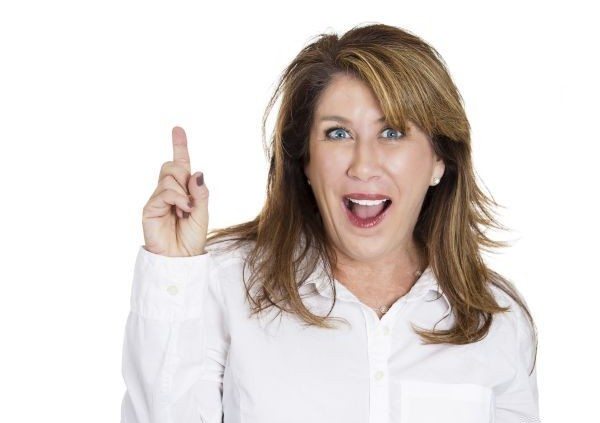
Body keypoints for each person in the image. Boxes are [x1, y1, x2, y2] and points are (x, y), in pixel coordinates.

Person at [120, 23, 539, 423]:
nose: (364, 164)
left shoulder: (495, 318)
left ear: (439, 160)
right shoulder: (227, 285)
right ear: (305, 160)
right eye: (338, 134)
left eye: (392, 132)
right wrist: (172, 270)